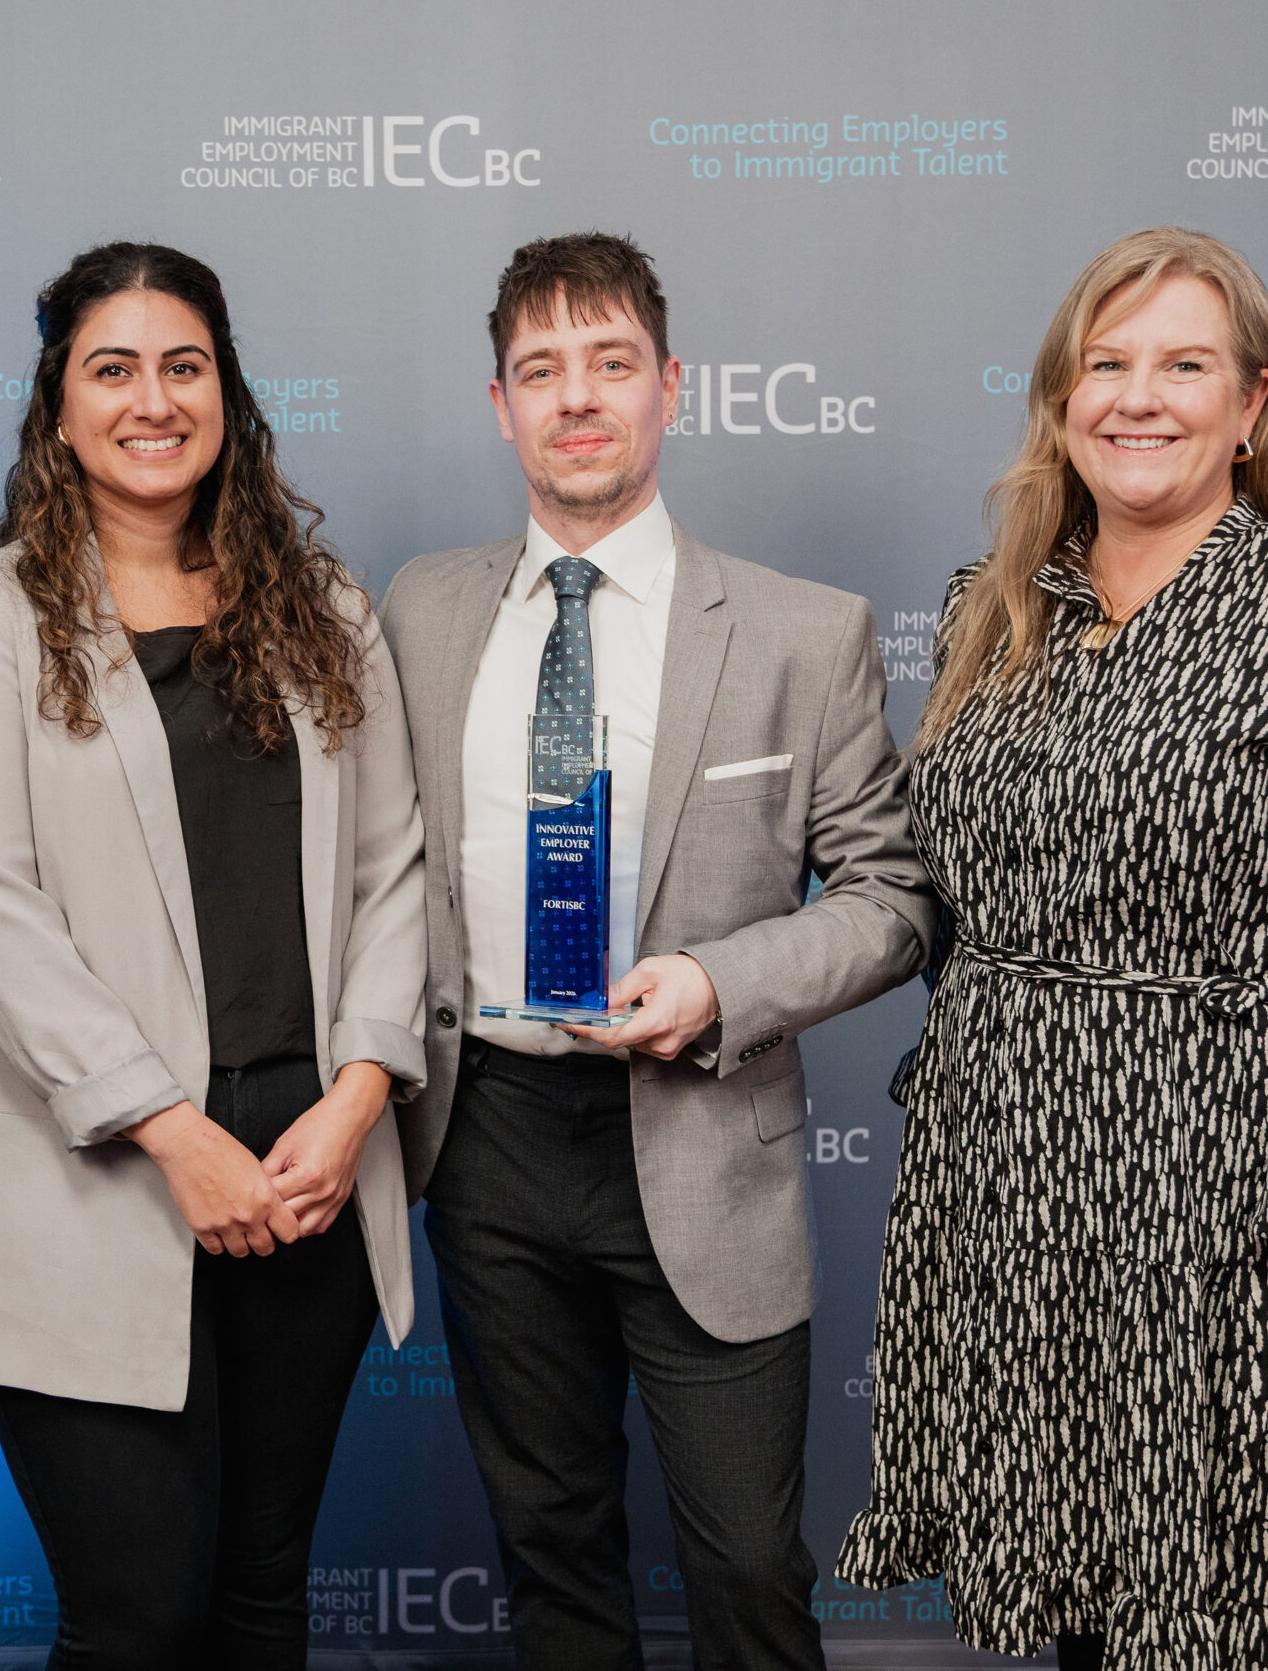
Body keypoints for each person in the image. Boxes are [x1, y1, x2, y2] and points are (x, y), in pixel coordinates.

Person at [836, 226, 1268, 1671]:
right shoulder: (991, 609)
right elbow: (948, 889)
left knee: (1248, 1597)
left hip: (1240, 1188)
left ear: (1252, 406)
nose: (1139, 397)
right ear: (1062, 401)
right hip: (1017, 1186)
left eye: (1185, 365)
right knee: (1088, 1589)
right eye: (1107, 364)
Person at [378, 232, 937, 1669]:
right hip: (488, 1138)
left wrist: (719, 984)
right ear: (500, 403)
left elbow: (894, 899)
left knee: (747, 1569)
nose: (577, 397)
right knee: (552, 1553)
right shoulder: (419, 614)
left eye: (610, 362)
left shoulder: (804, 633)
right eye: (541, 370)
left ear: (670, 387)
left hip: (704, 1136)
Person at [0, 241, 427, 1669]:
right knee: (139, 1620)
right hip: (95, 1171)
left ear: (227, 394)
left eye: (184, 367)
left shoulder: (326, 607)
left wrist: (360, 1097)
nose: (152, 400)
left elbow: (393, 872)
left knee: (262, 1601)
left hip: (311, 1165)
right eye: (112, 369)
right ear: (57, 405)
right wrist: (171, 1133)